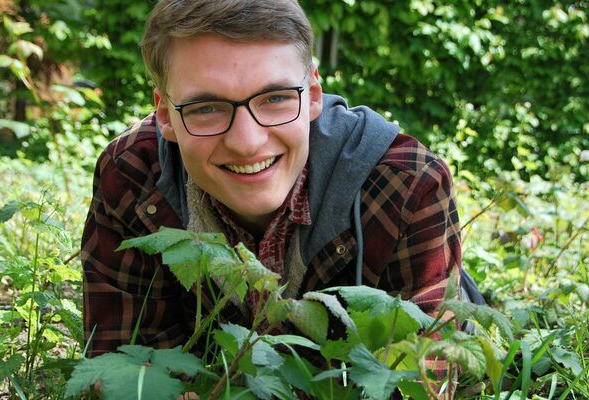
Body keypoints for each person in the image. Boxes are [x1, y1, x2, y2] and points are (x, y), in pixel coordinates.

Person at [81, 0, 481, 358]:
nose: (246, 142)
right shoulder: (132, 175)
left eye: (274, 98)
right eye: (206, 107)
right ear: (165, 114)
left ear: (313, 93)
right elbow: (124, 368)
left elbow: (421, 379)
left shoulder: (406, 185)